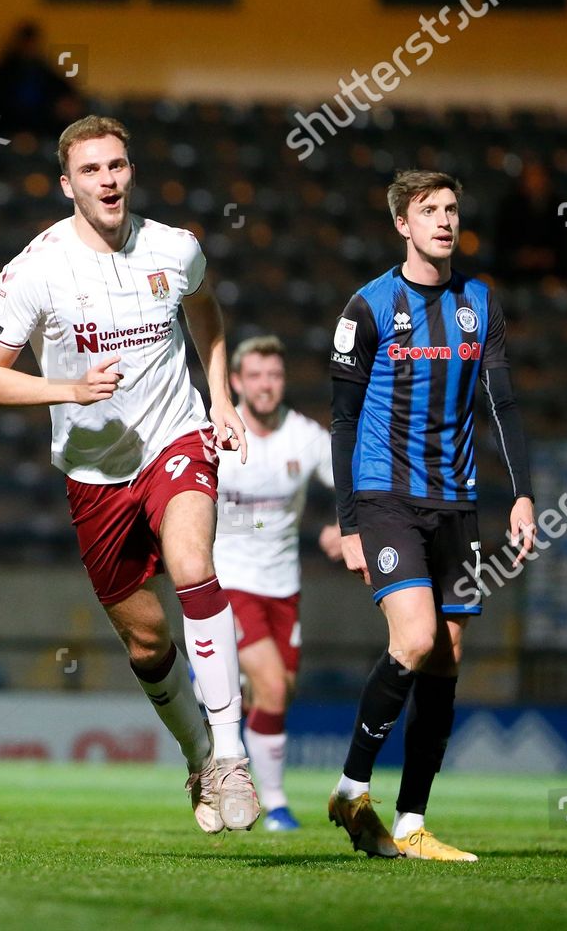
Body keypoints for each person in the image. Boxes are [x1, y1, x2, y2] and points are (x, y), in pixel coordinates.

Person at [0, 114, 260, 833]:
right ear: (67, 184)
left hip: (175, 438)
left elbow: (205, 311)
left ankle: (230, 754)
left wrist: (219, 398)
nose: (109, 180)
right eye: (93, 170)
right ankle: (197, 755)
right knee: (147, 640)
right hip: (95, 472)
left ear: (131, 172)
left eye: (118, 166)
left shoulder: (175, 247)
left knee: (194, 562)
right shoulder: (32, 271)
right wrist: (67, 389)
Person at [328, 169, 536, 861]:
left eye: (452, 208)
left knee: (447, 657)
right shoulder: (368, 308)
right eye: (430, 210)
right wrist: (350, 521)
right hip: (387, 498)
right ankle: (351, 786)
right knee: (415, 638)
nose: (445, 220)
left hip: (458, 504)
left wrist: (524, 494)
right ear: (402, 225)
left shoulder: (480, 302)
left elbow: (503, 405)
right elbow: (342, 420)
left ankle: (412, 821)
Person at [213, 335, 341, 831]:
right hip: (230, 580)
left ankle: (221, 680)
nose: (266, 386)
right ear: (236, 381)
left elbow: (353, 485)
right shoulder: (217, 434)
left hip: (283, 585)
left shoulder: (305, 438)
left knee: (280, 691)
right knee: (269, 684)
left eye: (275, 376)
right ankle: (275, 804)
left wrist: (346, 528)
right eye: (256, 376)